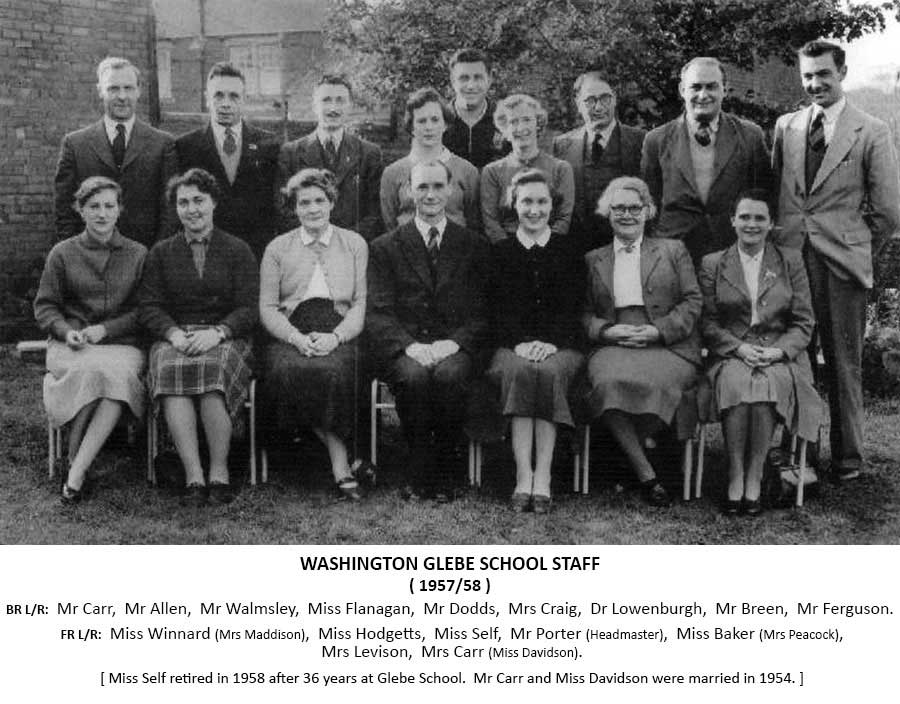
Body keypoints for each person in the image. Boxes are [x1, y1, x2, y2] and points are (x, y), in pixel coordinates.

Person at [772, 40, 900, 481]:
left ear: (841, 73)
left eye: (823, 74)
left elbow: (888, 211)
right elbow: (779, 195)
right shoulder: (785, 127)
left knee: (844, 362)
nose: (814, 84)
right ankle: (798, 453)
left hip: (841, 264)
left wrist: (853, 243)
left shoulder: (871, 130)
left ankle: (848, 458)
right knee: (794, 357)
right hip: (791, 260)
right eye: (807, 76)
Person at [367, 160, 489, 503]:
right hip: (408, 348)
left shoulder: (474, 245)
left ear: (450, 189)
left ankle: (447, 468)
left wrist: (454, 343)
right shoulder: (385, 247)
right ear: (408, 190)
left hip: (456, 346)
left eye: (438, 186)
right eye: (422, 187)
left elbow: (483, 311)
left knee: (451, 378)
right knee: (414, 378)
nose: (431, 194)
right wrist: (410, 346)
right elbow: (378, 313)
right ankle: (419, 469)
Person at [139, 169, 259, 506]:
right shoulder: (161, 253)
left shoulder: (237, 250)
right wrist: (173, 333)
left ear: (214, 203)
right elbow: (149, 305)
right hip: (176, 335)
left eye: (198, 201)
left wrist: (219, 332)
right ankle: (193, 475)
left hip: (225, 337)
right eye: (183, 203)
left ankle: (219, 472)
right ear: (175, 209)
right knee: (169, 370)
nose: (192, 209)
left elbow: (249, 307)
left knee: (211, 372)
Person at [700, 190, 823, 515]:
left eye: (759, 218)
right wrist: (738, 347)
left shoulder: (790, 261)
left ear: (771, 224)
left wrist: (778, 353)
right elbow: (708, 324)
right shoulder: (713, 263)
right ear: (732, 221)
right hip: (732, 351)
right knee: (739, 385)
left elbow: (803, 322)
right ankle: (735, 474)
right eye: (744, 217)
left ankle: (754, 477)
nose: (751, 224)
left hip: (778, 353)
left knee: (767, 384)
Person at [583, 177, 702, 507]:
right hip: (614, 341)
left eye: (634, 208)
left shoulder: (672, 250)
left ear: (648, 211)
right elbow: (583, 313)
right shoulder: (594, 258)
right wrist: (606, 330)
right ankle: (647, 473)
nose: (626, 215)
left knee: (662, 385)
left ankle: (629, 454)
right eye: (618, 208)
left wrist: (658, 331)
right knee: (607, 383)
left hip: (667, 343)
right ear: (606, 213)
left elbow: (693, 301)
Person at [35, 176, 148, 504]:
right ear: (80, 210)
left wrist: (107, 329)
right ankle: (77, 465)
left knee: (116, 374)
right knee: (93, 371)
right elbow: (45, 306)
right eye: (93, 207)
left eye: (109, 206)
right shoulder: (62, 253)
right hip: (71, 347)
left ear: (119, 210)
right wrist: (63, 330)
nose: (102, 214)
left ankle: (75, 469)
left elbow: (145, 310)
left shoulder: (138, 254)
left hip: (121, 346)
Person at [260, 169, 368, 500]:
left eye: (319, 200)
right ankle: (340, 459)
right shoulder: (277, 248)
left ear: (332, 202)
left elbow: (360, 303)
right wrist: (295, 337)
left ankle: (336, 453)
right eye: (303, 202)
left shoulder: (354, 243)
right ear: (294, 208)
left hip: (339, 328)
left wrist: (336, 337)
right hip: (291, 330)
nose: (312, 209)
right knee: (289, 369)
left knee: (335, 370)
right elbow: (267, 307)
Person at [488, 169, 584, 513]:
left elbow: (576, 309)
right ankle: (523, 474)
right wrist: (519, 344)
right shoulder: (499, 253)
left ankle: (543, 475)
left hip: (562, 347)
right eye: (526, 201)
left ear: (551, 206)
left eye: (542, 201)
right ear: (513, 204)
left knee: (547, 372)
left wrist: (552, 343)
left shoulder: (570, 251)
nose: (534, 209)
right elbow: (494, 312)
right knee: (524, 371)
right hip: (511, 348)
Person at [641, 57, 772, 263]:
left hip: (733, 254)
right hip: (674, 256)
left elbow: (765, 196)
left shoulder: (750, 136)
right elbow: (649, 205)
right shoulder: (656, 140)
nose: (703, 95)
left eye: (711, 87)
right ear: (682, 90)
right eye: (695, 87)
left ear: (724, 89)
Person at [55, 57, 177, 247]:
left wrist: (156, 257)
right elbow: (64, 210)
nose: (122, 96)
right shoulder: (75, 144)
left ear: (138, 91)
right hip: (90, 260)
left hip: (145, 259)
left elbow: (170, 210)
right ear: (100, 92)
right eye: (113, 89)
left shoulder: (163, 144)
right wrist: (75, 257)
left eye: (128, 88)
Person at [176, 62, 280, 259]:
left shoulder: (269, 145)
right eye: (218, 95)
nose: (225, 103)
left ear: (245, 100)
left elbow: (274, 207)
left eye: (234, 96)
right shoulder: (185, 146)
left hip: (255, 253)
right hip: (205, 253)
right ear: (207, 99)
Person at [276, 75, 383, 241]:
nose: (333, 108)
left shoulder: (369, 154)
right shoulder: (291, 153)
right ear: (314, 105)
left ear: (350, 106)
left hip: (352, 250)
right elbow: (284, 210)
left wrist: (342, 243)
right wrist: (316, 240)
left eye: (340, 100)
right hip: (305, 250)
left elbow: (375, 214)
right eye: (326, 100)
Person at [553, 71, 646, 252]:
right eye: (590, 100)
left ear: (615, 99)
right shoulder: (561, 145)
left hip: (627, 245)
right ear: (578, 104)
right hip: (577, 248)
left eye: (605, 98)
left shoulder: (641, 141)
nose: (598, 107)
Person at [380, 88, 480, 232]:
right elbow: (389, 223)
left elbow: (473, 222)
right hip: (407, 250)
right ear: (412, 127)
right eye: (421, 121)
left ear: (445, 124)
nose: (429, 127)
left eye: (435, 120)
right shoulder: (392, 173)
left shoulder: (467, 171)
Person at [481, 94, 574, 244]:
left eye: (527, 120)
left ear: (537, 123)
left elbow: (563, 219)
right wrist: (511, 251)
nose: (521, 128)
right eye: (513, 122)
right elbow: (491, 222)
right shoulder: (492, 172)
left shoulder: (561, 169)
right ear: (504, 130)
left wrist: (546, 248)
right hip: (507, 252)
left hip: (550, 249)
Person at [443, 48, 509, 170]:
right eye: (464, 78)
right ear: (453, 81)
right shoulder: (438, 121)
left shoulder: (506, 121)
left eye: (478, 77)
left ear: (489, 80)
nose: (471, 86)